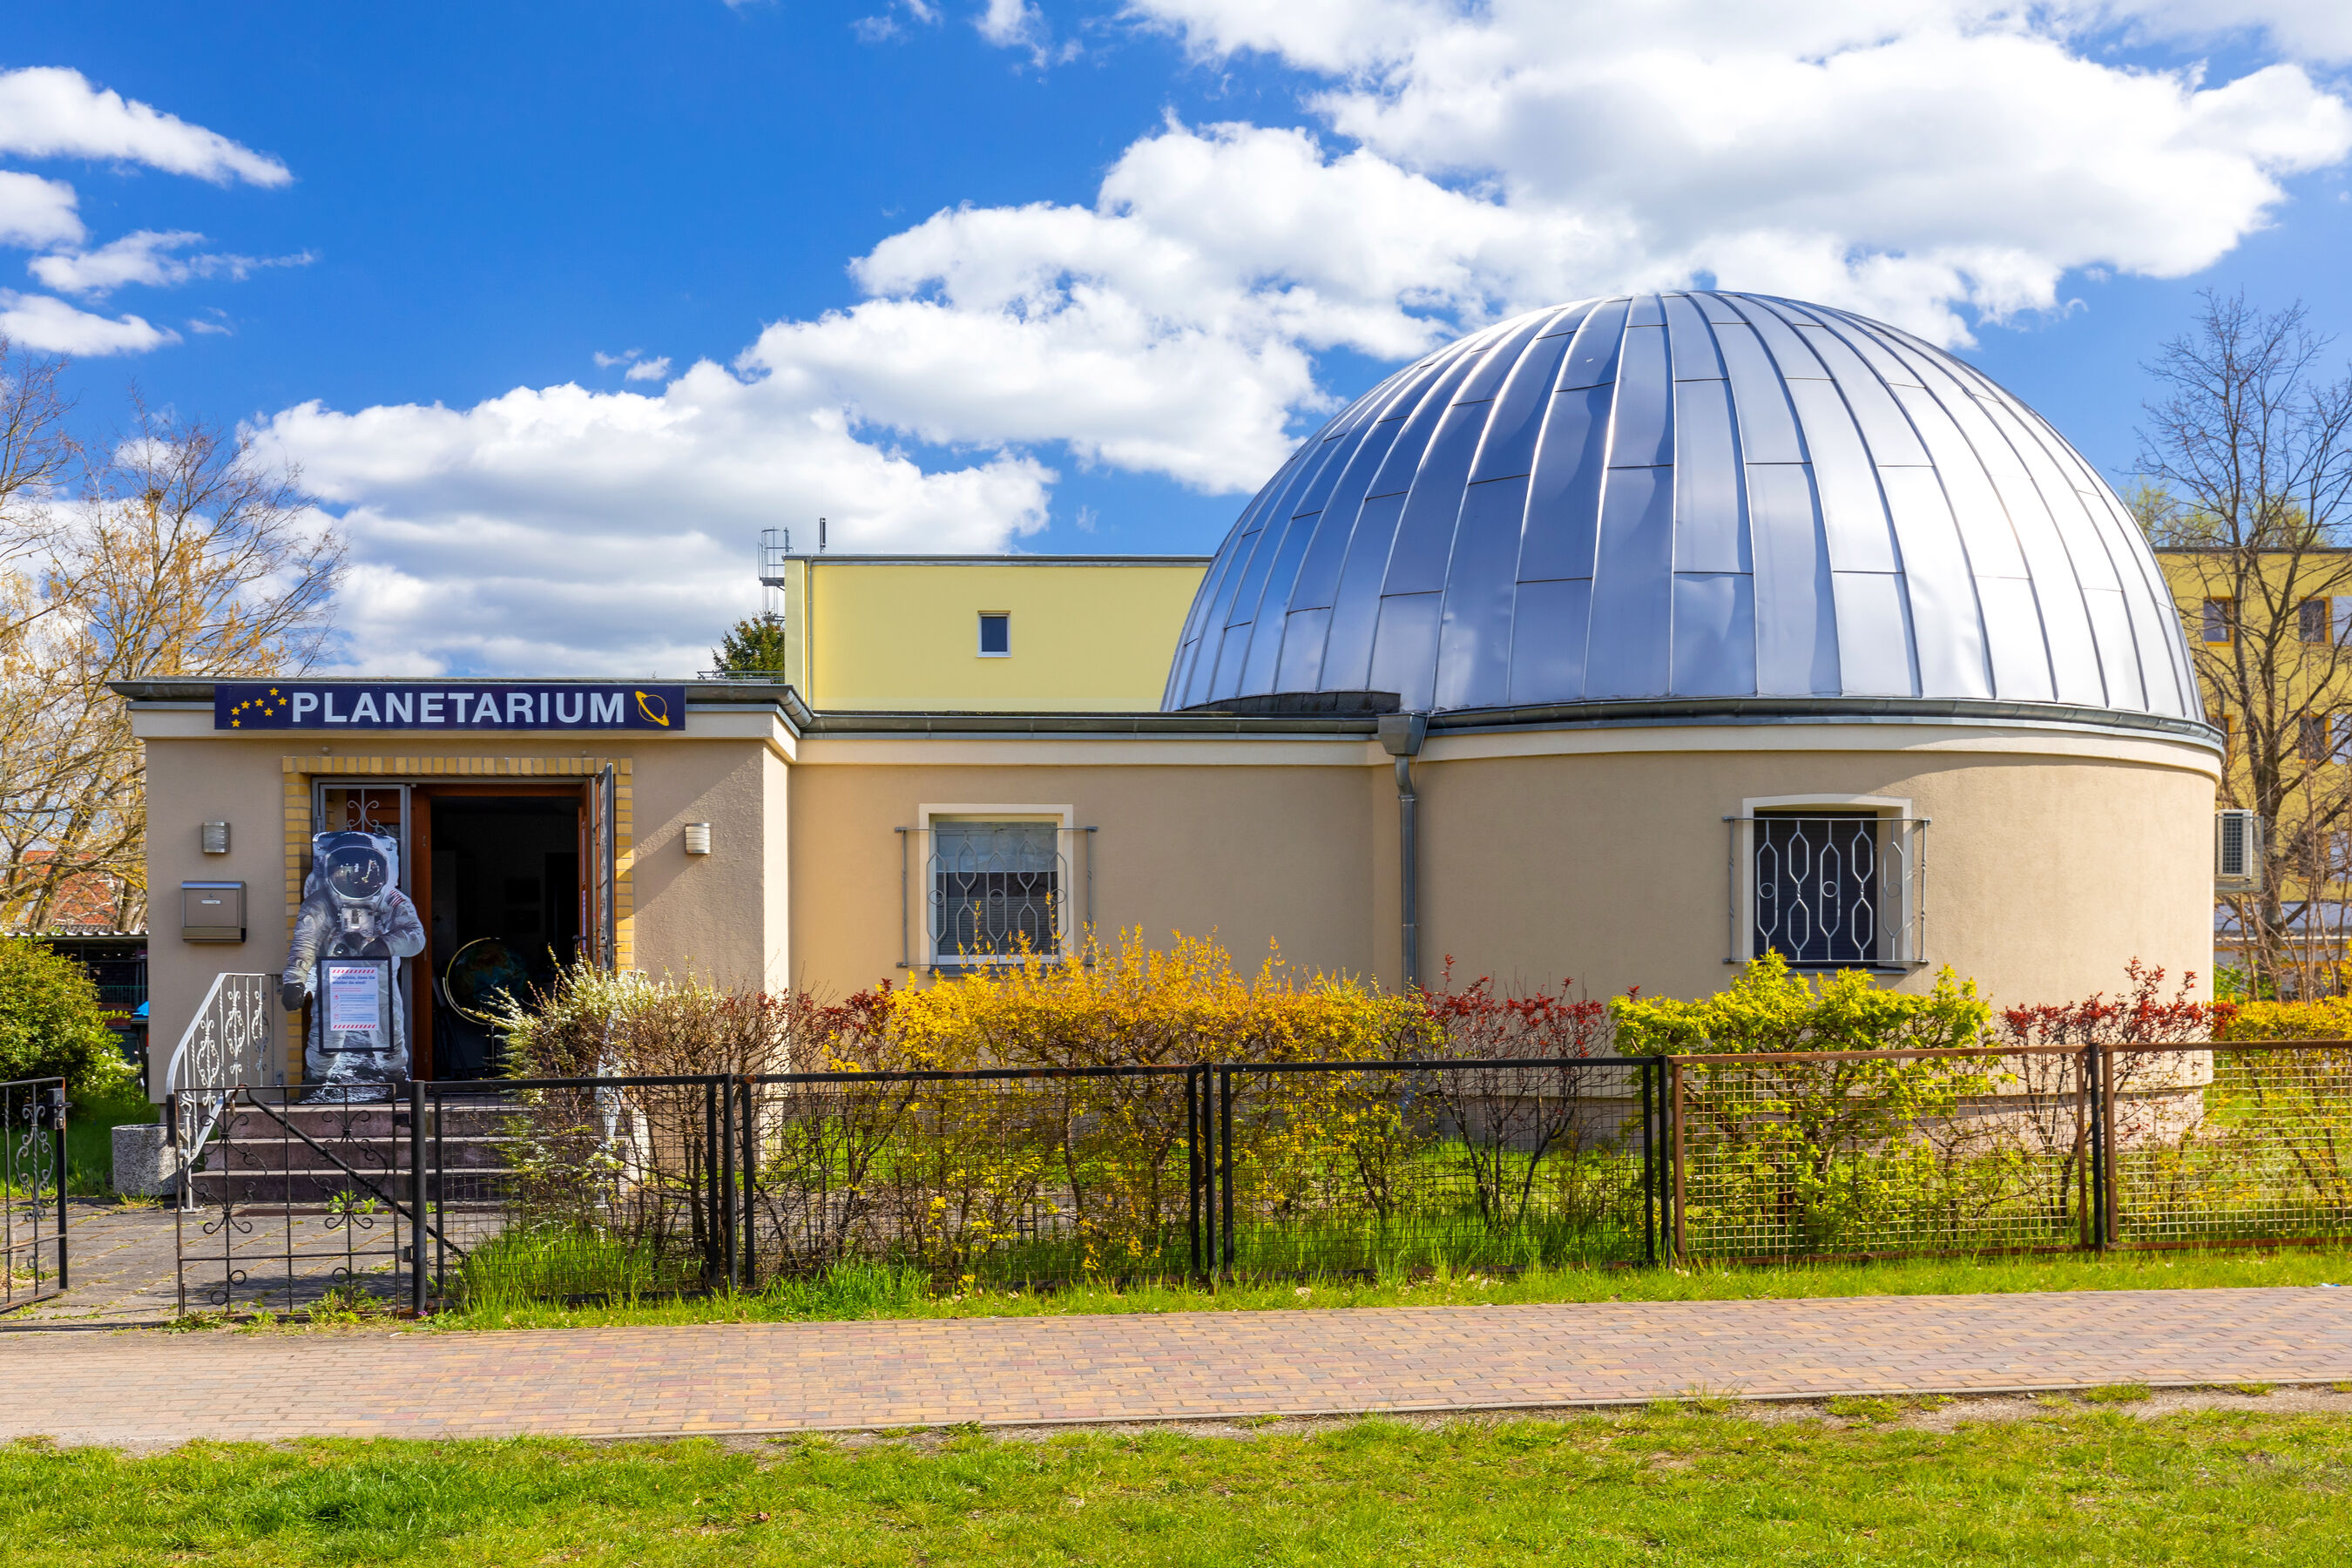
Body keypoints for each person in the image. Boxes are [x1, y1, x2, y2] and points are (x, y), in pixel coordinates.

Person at [281, 831, 425, 1094]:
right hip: (336, 978)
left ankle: (395, 1077)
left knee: (388, 1031)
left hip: (377, 979)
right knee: (326, 1034)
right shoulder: (321, 902)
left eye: (368, 868)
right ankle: (316, 1079)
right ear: (332, 870)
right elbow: (305, 942)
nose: (358, 876)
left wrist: (384, 945)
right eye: (347, 868)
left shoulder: (391, 899)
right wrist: (294, 980)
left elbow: (416, 937)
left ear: (381, 867)